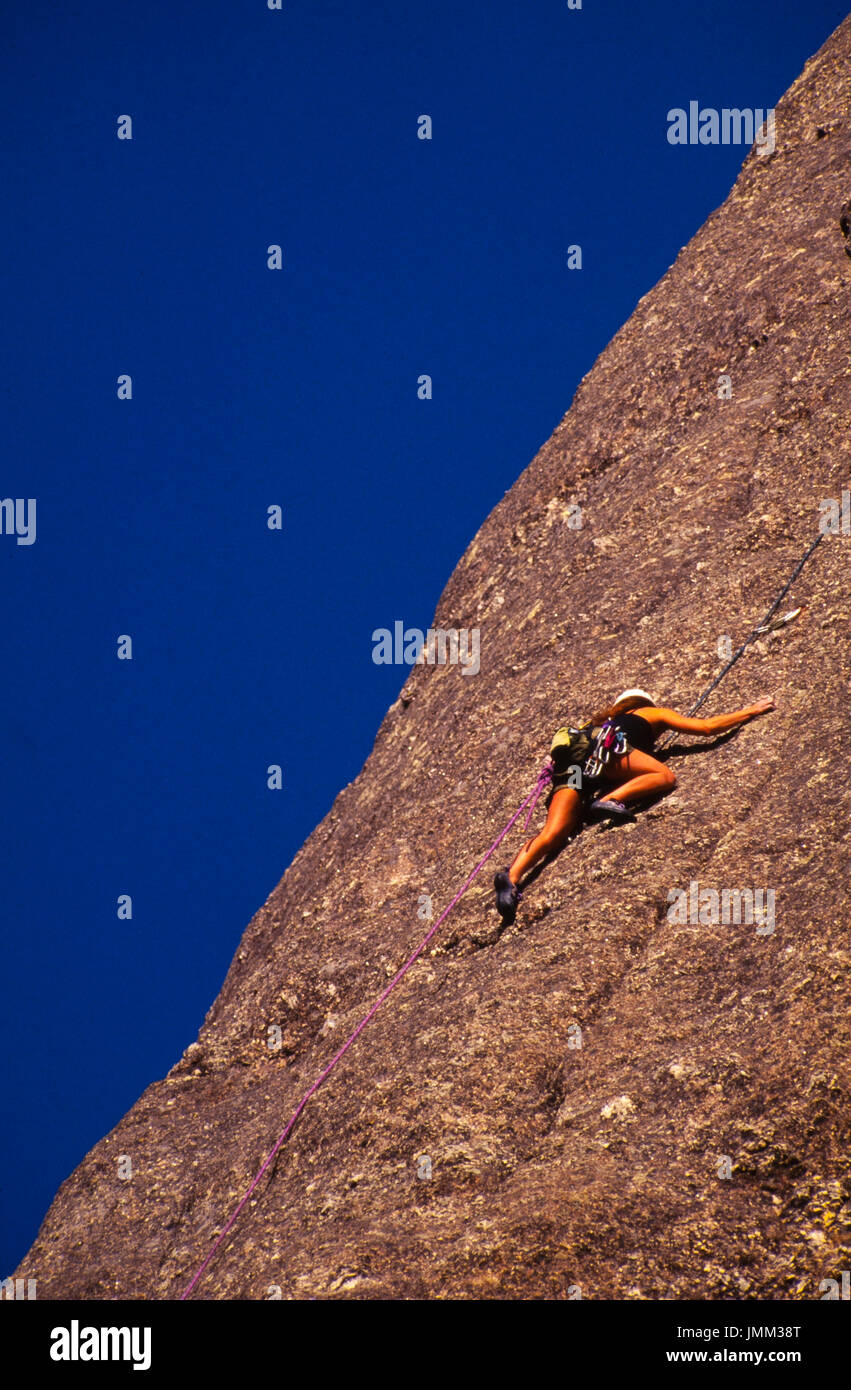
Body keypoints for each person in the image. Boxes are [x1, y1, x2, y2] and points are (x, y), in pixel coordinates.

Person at [493, 687, 776, 921]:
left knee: (552, 833)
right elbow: (705, 728)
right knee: (663, 775)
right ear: (642, 703)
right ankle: (611, 799)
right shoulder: (650, 712)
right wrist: (750, 710)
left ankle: (512, 878)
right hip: (606, 753)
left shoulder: (592, 725)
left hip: (577, 770)